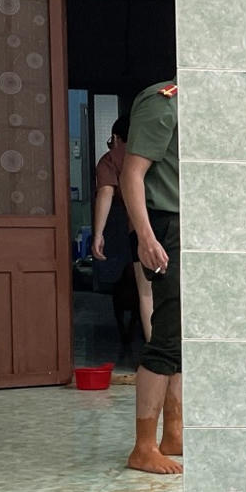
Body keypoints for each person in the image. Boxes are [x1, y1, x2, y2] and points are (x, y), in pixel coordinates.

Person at [122, 82, 182, 475]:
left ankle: (173, 432)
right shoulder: (162, 105)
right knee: (165, 335)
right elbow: (132, 173)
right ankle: (143, 446)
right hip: (164, 226)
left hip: (185, 225)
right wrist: (146, 237)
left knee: (183, 334)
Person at [90, 116, 150, 355]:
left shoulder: (110, 159)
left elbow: (105, 193)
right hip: (174, 227)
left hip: (142, 232)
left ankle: (157, 359)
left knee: (147, 295)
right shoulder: (156, 151)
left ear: (115, 138)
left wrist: (98, 234)